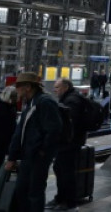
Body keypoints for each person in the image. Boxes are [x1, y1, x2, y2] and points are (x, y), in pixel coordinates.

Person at [4, 71, 63, 212]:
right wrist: (12, 156)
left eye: (19, 86)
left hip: (37, 156)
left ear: (28, 87)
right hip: (28, 155)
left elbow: (54, 130)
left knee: (34, 192)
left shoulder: (44, 102)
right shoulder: (31, 103)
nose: (17, 89)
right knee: (22, 190)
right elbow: (20, 133)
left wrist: (42, 152)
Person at [46, 78, 86, 211]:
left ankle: (69, 203)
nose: (54, 90)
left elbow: (69, 123)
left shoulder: (72, 101)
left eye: (57, 87)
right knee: (59, 169)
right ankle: (61, 198)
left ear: (66, 87)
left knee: (66, 173)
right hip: (68, 142)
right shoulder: (69, 99)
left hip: (69, 143)